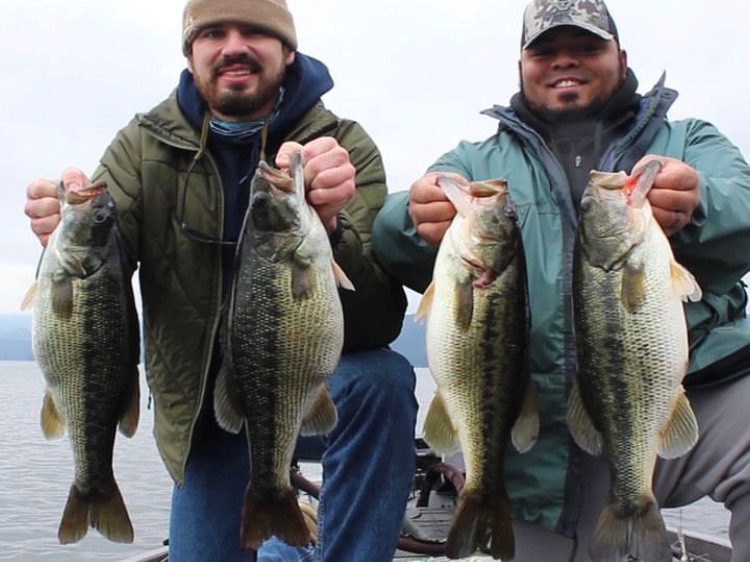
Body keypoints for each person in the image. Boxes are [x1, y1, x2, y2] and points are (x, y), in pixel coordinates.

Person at [24, 1, 418, 561]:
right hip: (206, 414)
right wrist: (58, 229)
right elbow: (96, 272)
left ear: (287, 49)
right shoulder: (141, 146)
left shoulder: (342, 145)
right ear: (191, 54)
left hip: (304, 390)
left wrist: (330, 229)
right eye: (213, 33)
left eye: (255, 31)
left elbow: (379, 319)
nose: (233, 45)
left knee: (382, 380)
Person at [372, 0, 750, 560]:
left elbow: (743, 210)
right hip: (535, 435)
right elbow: (389, 234)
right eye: (544, 51)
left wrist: (701, 204)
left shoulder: (688, 139)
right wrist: (412, 219)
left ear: (621, 58)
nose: (564, 62)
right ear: (522, 65)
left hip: (685, 396)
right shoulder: (476, 161)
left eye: (586, 48)